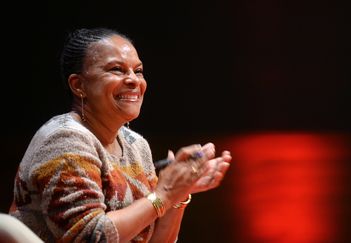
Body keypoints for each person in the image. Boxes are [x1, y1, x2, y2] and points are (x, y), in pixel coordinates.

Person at [8, 27, 232, 242]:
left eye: (138, 71)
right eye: (117, 69)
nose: (134, 80)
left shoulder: (136, 145)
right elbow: (92, 237)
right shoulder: (65, 140)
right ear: (79, 85)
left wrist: (178, 193)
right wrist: (164, 193)